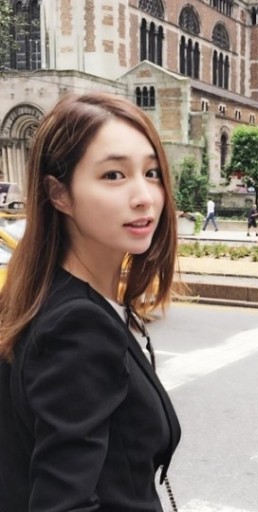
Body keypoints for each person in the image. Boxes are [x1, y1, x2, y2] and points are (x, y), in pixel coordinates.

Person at [0, 92, 181, 511]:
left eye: (151, 172)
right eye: (114, 175)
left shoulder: (40, 297)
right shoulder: (76, 325)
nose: (144, 196)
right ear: (59, 194)